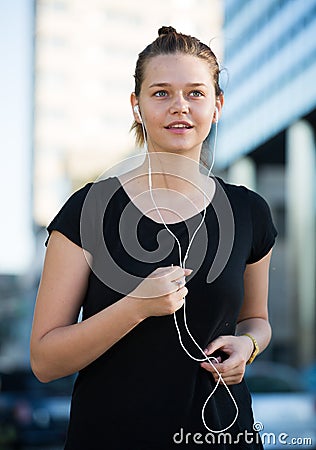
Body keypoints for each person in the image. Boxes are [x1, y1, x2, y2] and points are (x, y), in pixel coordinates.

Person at [30, 26, 277, 449]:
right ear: (136, 106)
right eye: (161, 93)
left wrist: (248, 345)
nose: (179, 106)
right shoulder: (89, 208)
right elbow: (45, 360)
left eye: (195, 93)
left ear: (216, 106)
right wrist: (137, 307)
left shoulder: (249, 211)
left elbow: (258, 320)